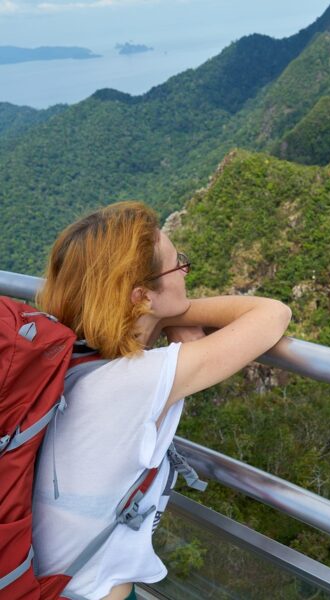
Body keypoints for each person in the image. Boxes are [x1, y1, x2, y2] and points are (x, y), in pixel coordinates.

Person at [32, 201, 292, 600]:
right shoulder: (134, 381)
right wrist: (178, 314)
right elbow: (273, 314)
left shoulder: (63, 358)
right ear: (141, 296)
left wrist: (160, 314)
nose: (186, 271)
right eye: (177, 266)